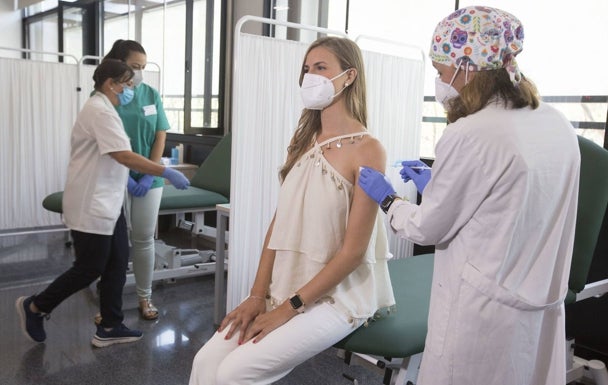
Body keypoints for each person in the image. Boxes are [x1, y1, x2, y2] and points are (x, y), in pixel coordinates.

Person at [358, 6, 580, 385]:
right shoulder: (555, 123)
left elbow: (428, 230)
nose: (440, 82)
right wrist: (441, 186)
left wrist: (389, 200)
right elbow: (515, 200)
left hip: (483, 311)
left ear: (468, 68)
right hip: (537, 303)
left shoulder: (469, 133)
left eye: (442, 72)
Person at [189, 37, 395, 385]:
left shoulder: (369, 150)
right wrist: (257, 295)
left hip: (337, 296)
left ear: (348, 77)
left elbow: (353, 253)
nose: (309, 76)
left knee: (234, 374)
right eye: (306, 69)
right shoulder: (305, 142)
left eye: (320, 67)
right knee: (206, 362)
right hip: (286, 285)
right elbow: (278, 225)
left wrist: (288, 310)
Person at [15, 59, 190, 348]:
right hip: (91, 205)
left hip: (109, 203)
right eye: (128, 83)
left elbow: (111, 156)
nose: (131, 89)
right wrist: (163, 171)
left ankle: (110, 326)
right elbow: (123, 155)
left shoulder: (108, 109)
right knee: (90, 267)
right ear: (111, 83)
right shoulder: (99, 111)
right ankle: (35, 306)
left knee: (118, 261)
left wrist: (131, 180)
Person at [103, 39, 170, 320]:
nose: (139, 73)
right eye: (134, 66)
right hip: (113, 177)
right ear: (119, 65)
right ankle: (109, 306)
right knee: (113, 244)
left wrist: (150, 172)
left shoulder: (150, 94)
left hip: (149, 179)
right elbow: (103, 140)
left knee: (143, 240)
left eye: (142, 67)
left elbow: (160, 134)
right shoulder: (108, 95)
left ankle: (145, 298)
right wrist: (126, 177)